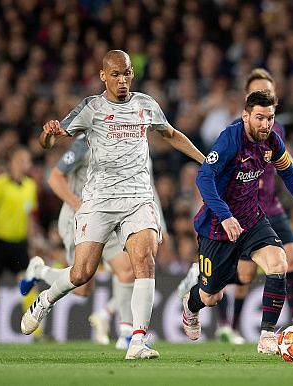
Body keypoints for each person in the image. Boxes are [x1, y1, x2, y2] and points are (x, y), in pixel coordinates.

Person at [20, 50, 205, 360]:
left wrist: (205, 161)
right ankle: (47, 299)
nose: (122, 80)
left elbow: (171, 134)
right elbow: (50, 141)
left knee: (144, 262)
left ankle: (136, 341)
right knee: (82, 275)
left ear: (133, 74)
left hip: (138, 198)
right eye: (116, 74)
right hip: (99, 200)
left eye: (127, 73)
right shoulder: (91, 108)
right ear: (103, 76)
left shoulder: (146, 104)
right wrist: (49, 135)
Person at [176, 68, 293, 345]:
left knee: (278, 262)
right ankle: (191, 306)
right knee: (212, 296)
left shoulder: (273, 140)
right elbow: (204, 177)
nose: (265, 124)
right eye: (260, 118)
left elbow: (288, 172)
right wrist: (225, 216)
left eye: (270, 118)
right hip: (218, 226)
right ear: (246, 116)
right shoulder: (230, 139)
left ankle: (267, 336)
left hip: (251, 219)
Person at [19, 134, 136, 349]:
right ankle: (39, 271)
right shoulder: (85, 143)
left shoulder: (126, 141)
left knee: (127, 269)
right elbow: (54, 177)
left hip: (105, 217)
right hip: (78, 217)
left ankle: (126, 334)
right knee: (82, 287)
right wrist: (76, 203)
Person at [0, 146, 37, 304]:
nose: (24, 163)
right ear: (12, 162)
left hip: (19, 244)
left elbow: (30, 217)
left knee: (28, 283)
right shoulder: (0, 183)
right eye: (20, 160)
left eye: (26, 160)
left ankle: (35, 328)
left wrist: (31, 243)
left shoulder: (30, 186)